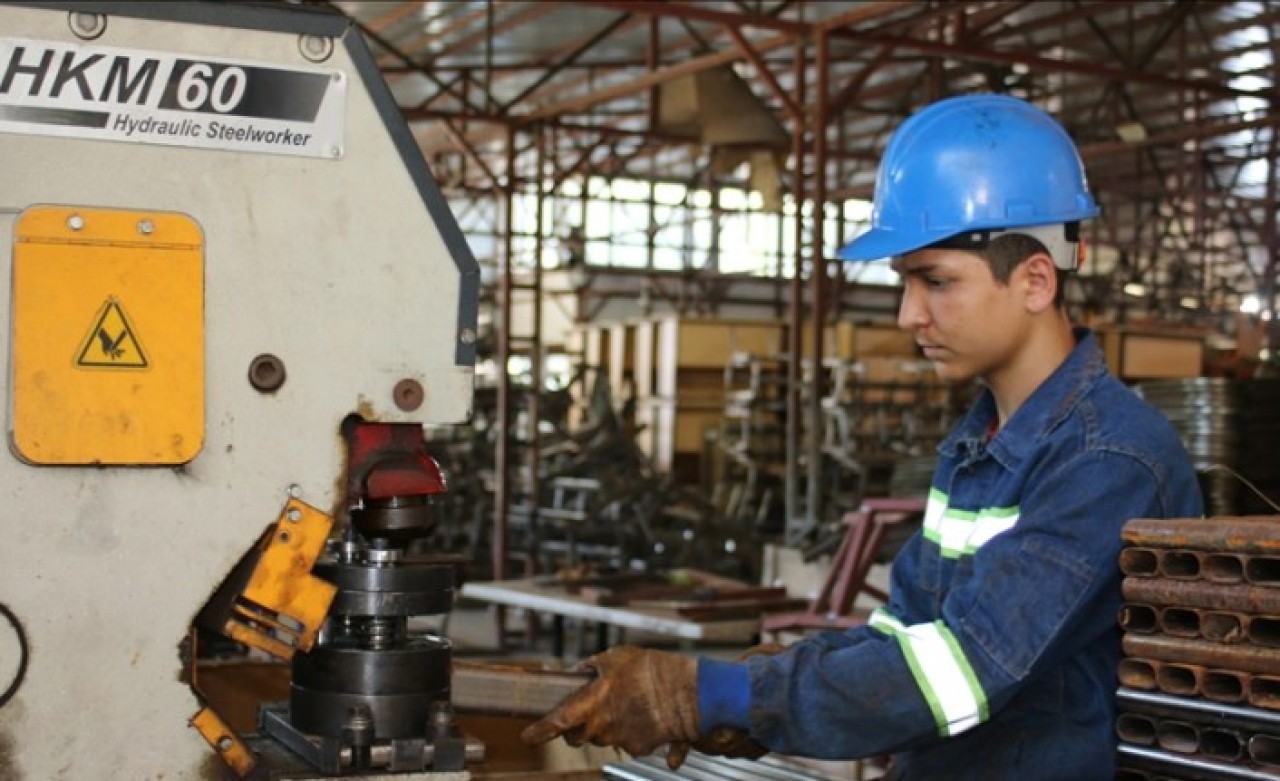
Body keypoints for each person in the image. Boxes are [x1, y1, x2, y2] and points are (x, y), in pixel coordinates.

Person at [520, 94, 1204, 779]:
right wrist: (768, 688)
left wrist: (711, 695)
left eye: (937, 281)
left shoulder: (1108, 459)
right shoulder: (976, 447)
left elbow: (961, 671)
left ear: (1034, 279)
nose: (910, 314)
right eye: (905, 283)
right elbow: (905, 636)